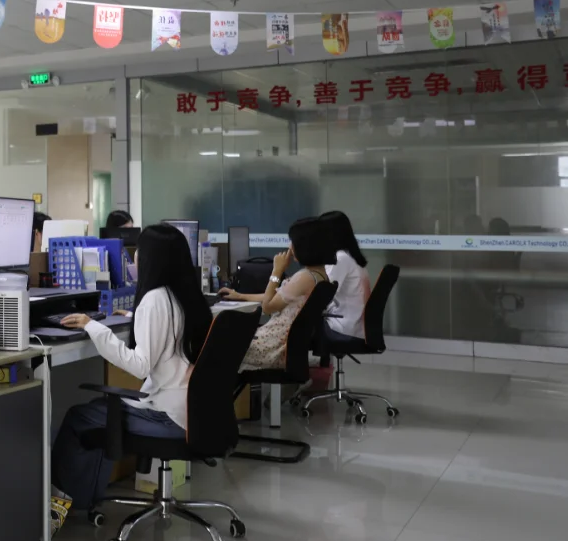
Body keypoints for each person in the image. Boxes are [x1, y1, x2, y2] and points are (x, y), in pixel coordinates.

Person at [51, 224, 211, 519]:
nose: (134, 257)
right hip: (195, 411)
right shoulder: (186, 295)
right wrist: (137, 316)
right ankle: (84, 500)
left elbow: (140, 365)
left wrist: (92, 326)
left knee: (79, 418)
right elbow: (170, 328)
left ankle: (61, 508)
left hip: (168, 417)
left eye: (139, 251)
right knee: (97, 413)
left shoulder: (154, 299)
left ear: (150, 258)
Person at [221, 217, 334, 371]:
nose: (290, 246)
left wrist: (276, 271)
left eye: (293, 241)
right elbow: (278, 298)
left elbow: (267, 307)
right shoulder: (319, 275)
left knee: (217, 344)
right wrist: (240, 296)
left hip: (272, 349)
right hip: (283, 347)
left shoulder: (304, 278)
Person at [320, 211, 370, 342]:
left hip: (342, 328)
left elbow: (321, 295)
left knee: (295, 329)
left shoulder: (339, 259)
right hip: (353, 326)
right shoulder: (350, 256)